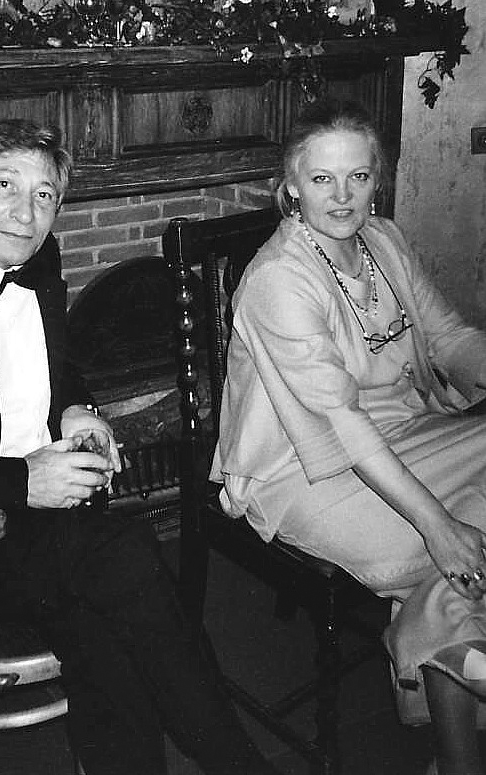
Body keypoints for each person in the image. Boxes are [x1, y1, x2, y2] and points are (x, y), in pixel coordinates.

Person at [0, 118, 276, 775]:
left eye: (44, 195)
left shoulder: (37, 259)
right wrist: (22, 481)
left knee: (103, 622)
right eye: (5, 186)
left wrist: (77, 410)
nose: (26, 212)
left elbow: (56, 365)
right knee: (124, 558)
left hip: (43, 534)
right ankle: (236, 762)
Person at [212, 101, 486, 775]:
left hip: (407, 434)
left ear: (376, 180)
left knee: (468, 536)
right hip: (307, 471)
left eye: (357, 177)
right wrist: (435, 524)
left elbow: (449, 337)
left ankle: (456, 729)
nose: (342, 196)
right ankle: (456, 680)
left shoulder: (383, 240)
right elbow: (341, 424)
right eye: (322, 179)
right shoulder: (279, 277)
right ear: (291, 186)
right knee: (454, 535)